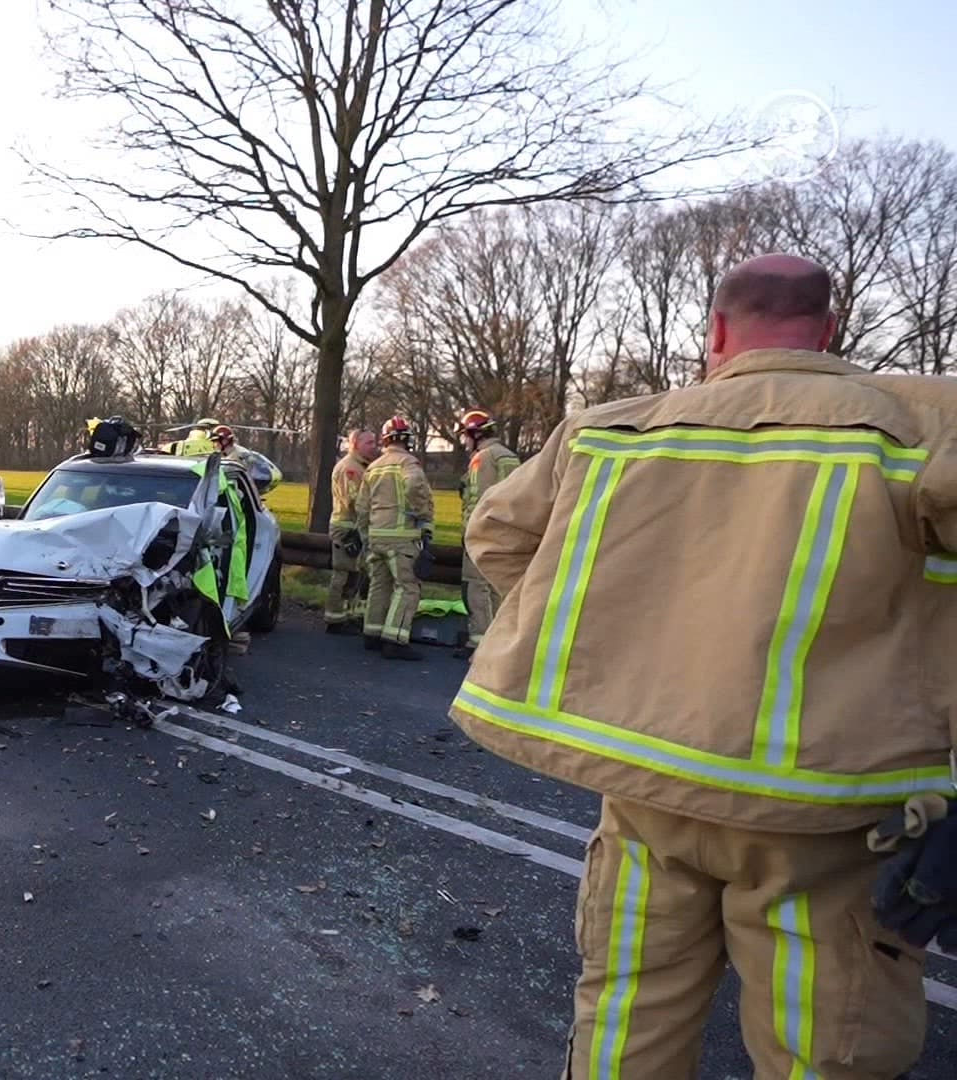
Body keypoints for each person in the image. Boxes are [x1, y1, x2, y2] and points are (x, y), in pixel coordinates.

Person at [451, 253, 957, 1079]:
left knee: (626, 1018)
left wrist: (623, 634)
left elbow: (500, 535)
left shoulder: (613, 431)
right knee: (824, 1049)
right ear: (831, 331)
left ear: (717, 332)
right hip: (824, 811)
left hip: (651, 788)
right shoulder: (918, 427)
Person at [355, 416, 431, 661]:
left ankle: (372, 634)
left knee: (379, 585)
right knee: (407, 587)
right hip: (402, 537)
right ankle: (395, 639)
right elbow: (414, 487)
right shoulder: (409, 463)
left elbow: (362, 507)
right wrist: (422, 514)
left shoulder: (373, 467)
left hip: (376, 536)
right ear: (407, 439)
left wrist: (365, 535)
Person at [452, 409, 519, 661]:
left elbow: (478, 501)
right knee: (496, 589)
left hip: (484, 533)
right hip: (507, 533)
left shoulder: (483, 458)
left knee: (476, 588)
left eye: (466, 436)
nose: (465, 442)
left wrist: (469, 532)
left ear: (476, 434)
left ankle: (478, 643)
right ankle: (496, 642)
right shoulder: (509, 457)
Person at [324, 429, 379, 634]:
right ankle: (334, 619)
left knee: (354, 575)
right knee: (343, 575)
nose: (374, 446)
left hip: (355, 527)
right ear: (355, 444)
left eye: (375, 442)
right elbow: (355, 501)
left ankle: (345, 615)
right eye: (369, 442)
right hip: (346, 528)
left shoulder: (361, 467)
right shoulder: (351, 469)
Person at [209, 425, 283, 494]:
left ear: (225, 441)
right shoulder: (229, 452)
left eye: (216, 442)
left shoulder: (235, 456)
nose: (215, 445)